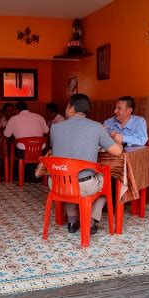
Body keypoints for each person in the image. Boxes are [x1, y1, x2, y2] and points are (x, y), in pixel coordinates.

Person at [50, 93, 123, 234]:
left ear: (71, 108)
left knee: (69, 175)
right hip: (83, 185)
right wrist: (118, 140)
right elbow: (117, 152)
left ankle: (72, 221)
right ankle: (90, 222)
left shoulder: (55, 128)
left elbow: (58, 149)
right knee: (104, 182)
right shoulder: (96, 127)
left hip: (56, 184)